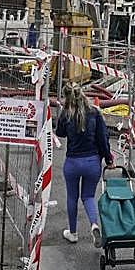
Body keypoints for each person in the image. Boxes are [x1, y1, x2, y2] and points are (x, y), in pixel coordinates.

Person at [55, 82, 114, 247]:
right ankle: (94, 224)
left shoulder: (66, 113)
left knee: (72, 197)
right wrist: (108, 159)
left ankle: (73, 233)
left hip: (72, 163)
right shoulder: (94, 112)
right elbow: (103, 139)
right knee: (88, 196)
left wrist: (63, 113)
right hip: (92, 162)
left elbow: (60, 133)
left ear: (67, 97)